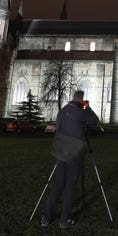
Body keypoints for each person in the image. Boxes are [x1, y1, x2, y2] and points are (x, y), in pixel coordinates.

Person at [42, 90, 99, 228]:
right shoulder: (81, 111)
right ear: (81, 100)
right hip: (74, 154)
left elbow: (58, 130)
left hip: (61, 152)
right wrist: (87, 107)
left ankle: (46, 217)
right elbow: (95, 121)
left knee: (58, 185)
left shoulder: (62, 111)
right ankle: (65, 219)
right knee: (70, 186)